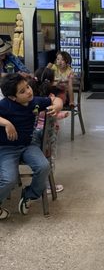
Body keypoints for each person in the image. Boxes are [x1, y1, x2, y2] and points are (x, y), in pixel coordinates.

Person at [0, 73, 63, 220]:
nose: (28, 91)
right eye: (22, 91)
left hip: (29, 144)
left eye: (27, 87)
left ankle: (29, 195)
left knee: (43, 166)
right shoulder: (5, 105)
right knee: (9, 179)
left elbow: (56, 99)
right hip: (6, 148)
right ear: (12, 97)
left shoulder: (35, 101)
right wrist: (6, 123)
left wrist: (57, 106)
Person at [30, 67, 69, 194]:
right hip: (48, 134)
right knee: (48, 158)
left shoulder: (31, 98)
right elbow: (50, 114)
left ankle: (38, 181)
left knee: (37, 158)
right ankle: (47, 185)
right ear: (52, 82)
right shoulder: (50, 98)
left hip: (33, 133)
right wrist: (62, 114)